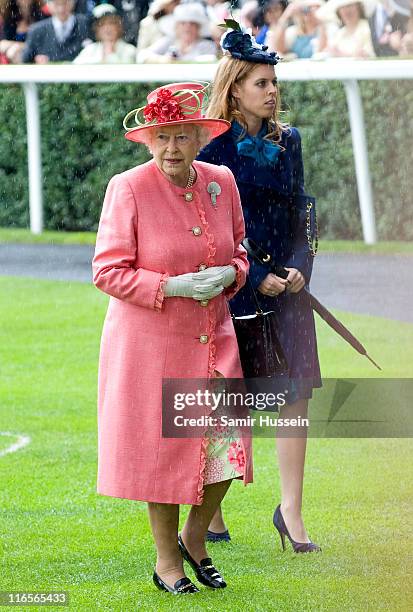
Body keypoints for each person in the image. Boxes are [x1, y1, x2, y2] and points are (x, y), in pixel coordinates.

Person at [92, 81, 253, 594]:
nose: (170, 148)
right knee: (164, 454)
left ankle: (195, 536)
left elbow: (241, 253)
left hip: (214, 338)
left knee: (227, 451)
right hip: (152, 344)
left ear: (198, 139)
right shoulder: (128, 187)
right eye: (161, 138)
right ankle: (167, 563)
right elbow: (107, 271)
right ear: (148, 139)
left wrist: (232, 274)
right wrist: (172, 284)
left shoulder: (221, 181)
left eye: (181, 137)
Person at [197, 21, 321, 551]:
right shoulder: (212, 147)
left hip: (288, 294)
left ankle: (290, 512)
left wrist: (297, 268)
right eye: (261, 83)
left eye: (275, 83)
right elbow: (207, 225)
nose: (272, 92)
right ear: (234, 89)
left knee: (295, 395)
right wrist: (254, 278)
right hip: (236, 291)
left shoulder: (288, 141)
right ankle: (212, 508)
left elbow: (302, 210)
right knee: (229, 399)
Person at [136, 1, 216, 62]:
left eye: (192, 24)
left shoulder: (207, 45)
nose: (187, 27)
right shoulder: (169, 41)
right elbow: (141, 56)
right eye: (183, 23)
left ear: (198, 28)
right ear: (176, 28)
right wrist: (164, 59)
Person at [22, 0, 89, 63]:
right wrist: (36, 60)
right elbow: (26, 59)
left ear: (72, 3)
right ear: (48, 5)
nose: (61, 9)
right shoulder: (36, 30)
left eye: (65, 3)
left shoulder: (87, 24)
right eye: (56, 4)